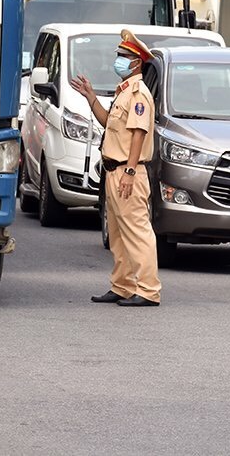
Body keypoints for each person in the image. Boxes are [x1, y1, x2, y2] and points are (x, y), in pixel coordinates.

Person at [69, 29, 161, 307]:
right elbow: (109, 122)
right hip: (114, 170)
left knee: (137, 231)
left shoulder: (138, 93)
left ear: (136, 62)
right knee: (119, 235)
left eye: (123, 56)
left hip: (127, 171)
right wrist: (91, 97)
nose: (118, 60)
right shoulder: (123, 93)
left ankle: (147, 290)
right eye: (118, 55)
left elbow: (138, 134)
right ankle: (122, 286)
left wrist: (131, 171)